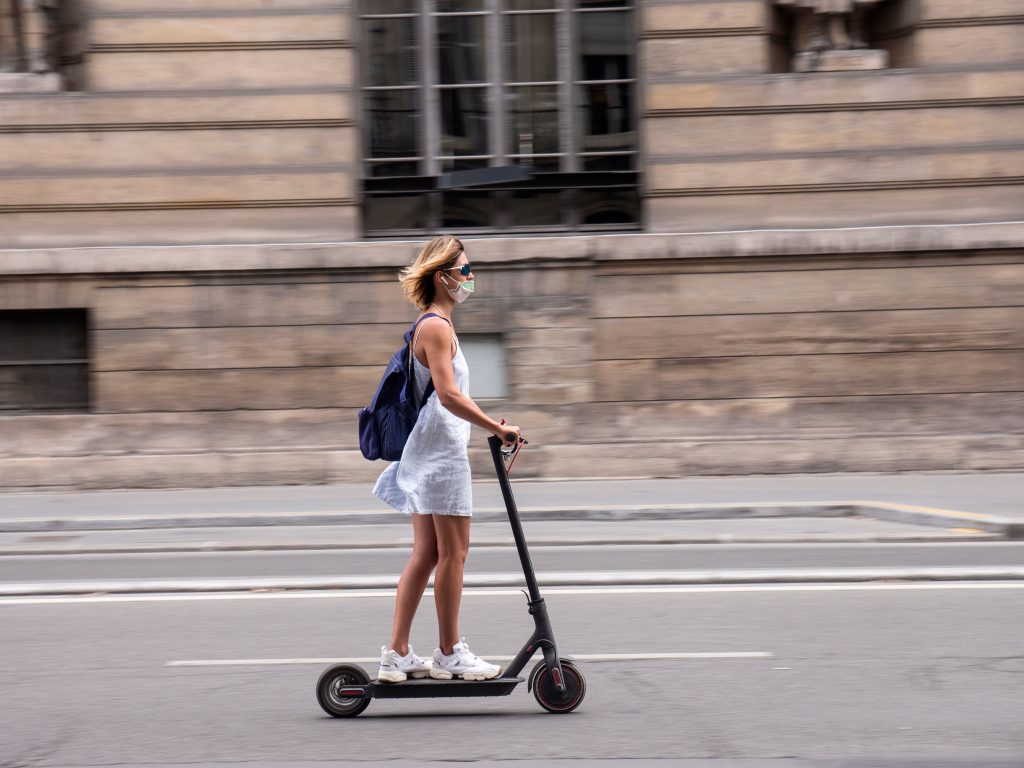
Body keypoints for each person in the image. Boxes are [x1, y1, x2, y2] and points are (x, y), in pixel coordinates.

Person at [372, 235, 522, 683]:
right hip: (440, 455)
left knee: (427, 554)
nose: (471, 278)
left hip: (429, 451)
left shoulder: (434, 324)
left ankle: (397, 654)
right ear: (444, 276)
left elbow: (448, 396)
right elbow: (449, 394)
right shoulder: (435, 326)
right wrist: (496, 428)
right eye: (466, 270)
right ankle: (450, 652)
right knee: (453, 554)